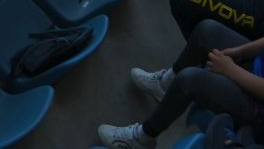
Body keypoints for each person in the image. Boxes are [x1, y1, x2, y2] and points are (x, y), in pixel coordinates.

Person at [96, 19, 264, 148]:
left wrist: (230, 70)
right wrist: (241, 52)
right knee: (207, 30)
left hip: (257, 105)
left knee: (190, 80)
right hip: (257, 67)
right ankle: (165, 85)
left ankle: (142, 138)